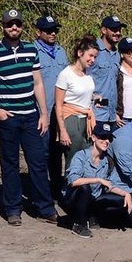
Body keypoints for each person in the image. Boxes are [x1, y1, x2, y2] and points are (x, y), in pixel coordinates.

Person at [0, 8, 58, 226]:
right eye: (10, 24)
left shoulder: (31, 50)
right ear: (3, 27)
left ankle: (45, 208)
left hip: (31, 116)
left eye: (17, 24)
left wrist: (44, 113)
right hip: (6, 118)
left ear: (22, 26)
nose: (14, 28)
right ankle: (13, 209)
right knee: (10, 163)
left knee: (37, 162)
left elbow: (38, 83)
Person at [64, 121, 132, 238]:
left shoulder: (107, 161)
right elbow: (73, 181)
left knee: (121, 200)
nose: (106, 141)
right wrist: (98, 180)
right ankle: (78, 224)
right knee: (84, 188)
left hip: (93, 198)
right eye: (102, 137)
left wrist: (126, 194)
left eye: (109, 138)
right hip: (74, 199)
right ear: (93, 137)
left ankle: (92, 216)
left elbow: (110, 184)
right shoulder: (81, 156)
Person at [55, 35, 100, 171]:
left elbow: (83, 94)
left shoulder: (88, 74)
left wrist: (94, 98)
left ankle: (83, 190)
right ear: (80, 53)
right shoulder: (66, 74)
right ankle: (70, 189)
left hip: (86, 120)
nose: (92, 60)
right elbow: (59, 105)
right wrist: (62, 130)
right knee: (73, 159)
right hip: (71, 120)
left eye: (95, 57)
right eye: (90, 56)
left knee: (87, 158)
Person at [34, 15, 68, 193]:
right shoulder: (32, 52)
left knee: (57, 152)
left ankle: (56, 188)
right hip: (41, 112)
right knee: (41, 153)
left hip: (60, 111)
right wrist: (41, 113)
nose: (53, 33)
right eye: (48, 30)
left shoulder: (61, 51)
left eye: (55, 29)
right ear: (38, 32)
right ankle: (41, 191)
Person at [88, 15, 125, 124]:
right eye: (114, 29)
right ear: (103, 30)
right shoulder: (93, 50)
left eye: (119, 30)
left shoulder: (117, 55)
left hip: (112, 115)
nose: (118, 33)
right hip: (96, 114)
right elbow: (82, 77)